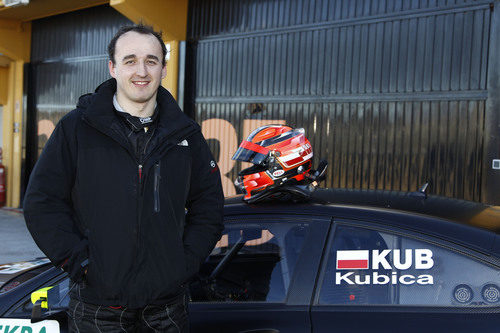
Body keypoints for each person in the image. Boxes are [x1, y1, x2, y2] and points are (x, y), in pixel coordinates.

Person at [23, 24, 224, 332]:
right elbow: (41, 202)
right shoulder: (76, 128)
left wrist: (182, 265)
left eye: (151, 60)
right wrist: (81, 263)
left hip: (167, 310)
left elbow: (209, 208)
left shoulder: (186, 135)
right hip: (96, 309)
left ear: (164, 69)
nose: (141, 71)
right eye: (130, 60)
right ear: (112, 68)